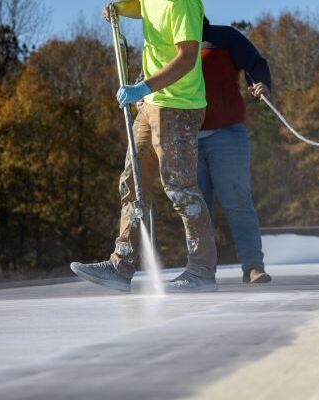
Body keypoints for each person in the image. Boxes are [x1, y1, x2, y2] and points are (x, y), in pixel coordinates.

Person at [70, 0, 218, 292]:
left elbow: (188, 57)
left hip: (179, 105)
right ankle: (120, 265)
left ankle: (202, 270)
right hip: (151, 103)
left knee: (180, 188)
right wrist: (120, 9)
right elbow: (141, 6)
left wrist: (144, 87)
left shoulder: (183, 3)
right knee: (132, 182)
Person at [199, 17, 272, 283]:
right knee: (196, 209)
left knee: (238, 202)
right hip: (184, 139)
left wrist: (262, 82)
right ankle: (202, 270)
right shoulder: (166, 43)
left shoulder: (224, 37)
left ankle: (252, 266)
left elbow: (255, 64)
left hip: (226, 134)